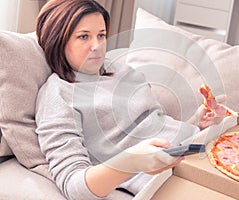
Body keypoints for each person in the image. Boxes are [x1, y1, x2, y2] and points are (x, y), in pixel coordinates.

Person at [35, 0, 220, 199]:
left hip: (202, 149)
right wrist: (131, 161)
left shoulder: (120, 70)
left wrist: (196, 125)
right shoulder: (58, 96)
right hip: (174, 178)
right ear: (57, 41)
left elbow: (153, 127)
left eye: (101, 35)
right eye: (83, 37)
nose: (96, 46)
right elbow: (73, 186)